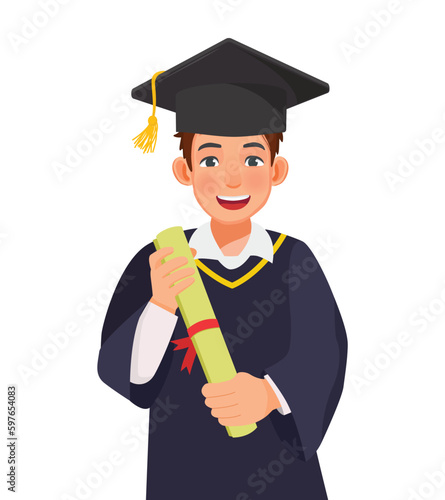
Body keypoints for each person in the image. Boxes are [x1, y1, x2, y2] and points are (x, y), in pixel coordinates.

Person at [98, 38, 348, 499]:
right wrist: (159, 305)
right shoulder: (160, 261)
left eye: (252, 158)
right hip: (185, 470)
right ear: (184, 170)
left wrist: (271, 394)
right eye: (210, 158)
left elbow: (324, 355)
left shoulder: (295, 260)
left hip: (282, 474)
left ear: (277, 170)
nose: (232, 177)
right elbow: (128, 378)